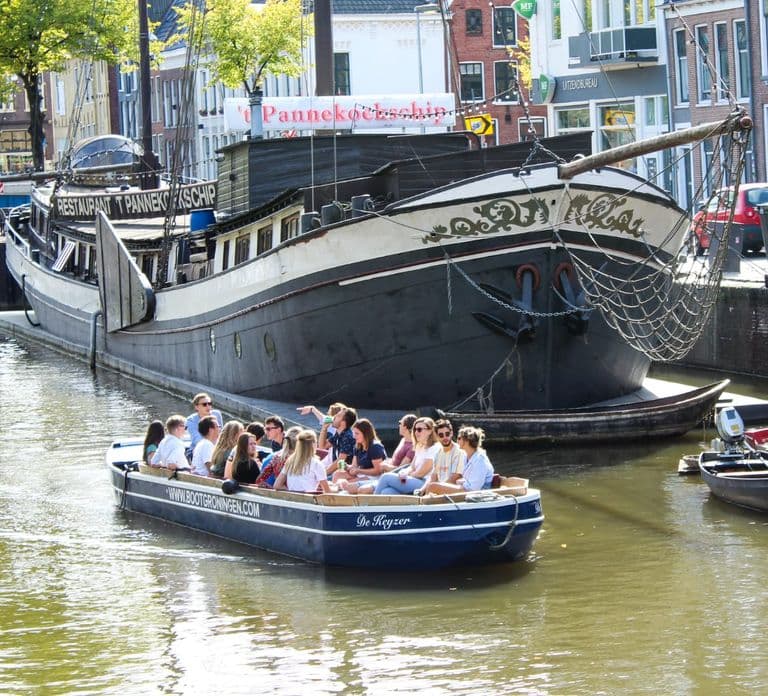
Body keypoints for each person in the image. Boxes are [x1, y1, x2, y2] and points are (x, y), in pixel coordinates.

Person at [418, 425, 494, 495]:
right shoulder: (466, 456)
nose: (457, 441)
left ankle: (425, 506)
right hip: (467, 490)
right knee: (434, 486)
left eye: (459, 438)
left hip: (475, 494)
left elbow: (473, 488)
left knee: (433, 487)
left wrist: (458, 483)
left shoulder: (480, 460)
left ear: (466, 441)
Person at [374, 416, 439, 495]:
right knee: (386, 492)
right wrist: (403, 472)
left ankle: (369, 506)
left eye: (419, 429)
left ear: (430, 431)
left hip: (425, 483)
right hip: (414, 479)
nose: (416, 432)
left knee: (385, 477)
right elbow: (412, 467)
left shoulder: (434, 448)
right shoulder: (420, 446)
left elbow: (421, 473)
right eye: (415, 429)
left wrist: (406, 475)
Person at [333, 418, 387, 491]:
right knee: (337, 474)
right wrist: (347, 467)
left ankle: (339, 495)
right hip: (362, 474)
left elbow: (378, 471)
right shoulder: (358, 446)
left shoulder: (375, 447)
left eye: (357, 433)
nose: (354, 436)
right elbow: (354, 466)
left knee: (346, 484)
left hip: (374, 477)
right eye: (354, 433)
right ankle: (333, 496)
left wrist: (358, 471)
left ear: (366, 434)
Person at [274, 429, 331, 493]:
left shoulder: (290, 461)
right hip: (309, 500)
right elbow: (327, 491)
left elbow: (277, 485)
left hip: (293, 499)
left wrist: (292, 491)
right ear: (313, 444)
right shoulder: (316, 464)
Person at [429, 419, 466, 485]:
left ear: (451, 433)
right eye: (441, 435)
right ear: (437, 436)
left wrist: (437, 489)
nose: (445, 437)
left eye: (447, 434)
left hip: (452, 489)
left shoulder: (459, 452)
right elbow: (434, 476)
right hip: (439, 489)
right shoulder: (437, 453)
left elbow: (455, 477)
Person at [323, 406, 357, 476]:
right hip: (337, 471)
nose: (334, 417)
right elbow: (323, 446)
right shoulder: (339, 433)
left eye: (338, 416)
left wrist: (323, 474)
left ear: (343, 422)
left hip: (347, 473)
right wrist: (324, 428)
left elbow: (341, 461)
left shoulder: (347, 436)